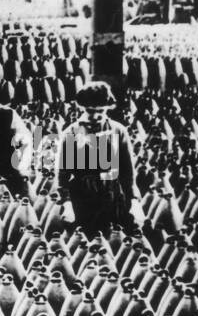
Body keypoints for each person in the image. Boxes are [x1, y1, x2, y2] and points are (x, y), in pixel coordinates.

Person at [55, 81, 139, 236]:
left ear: (107, 108)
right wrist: (67, 203)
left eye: (100, 111)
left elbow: (128, 171)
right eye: (90, 110)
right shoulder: (72, 133)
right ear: (82, 108)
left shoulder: (118, 131)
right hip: (82, 199)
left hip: (112, 197)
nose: (95, 115)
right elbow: (63, 174)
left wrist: (134, 200)